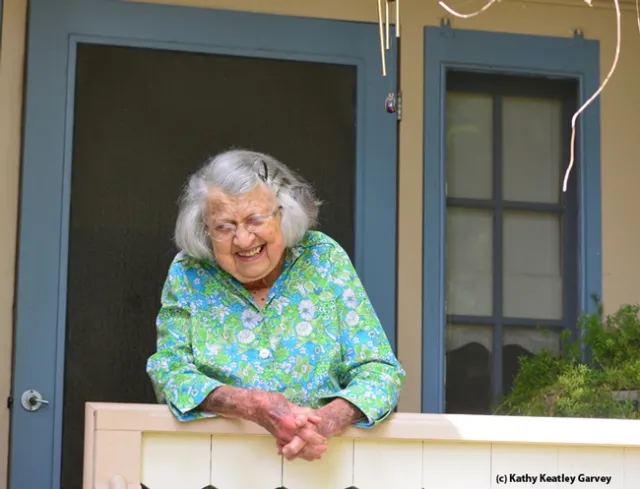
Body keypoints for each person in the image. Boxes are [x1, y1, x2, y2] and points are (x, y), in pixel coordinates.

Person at [146, 149, 405, 462]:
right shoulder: (189, 272)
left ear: (285, 213)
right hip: (216, 467)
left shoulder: (322, 258)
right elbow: (169, 371)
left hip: (323, 469)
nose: (243, 239)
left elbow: (379, 372)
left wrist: (322, 423)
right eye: (224, 227)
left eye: (254, 220)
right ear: (204, 229)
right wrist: (252, 405)